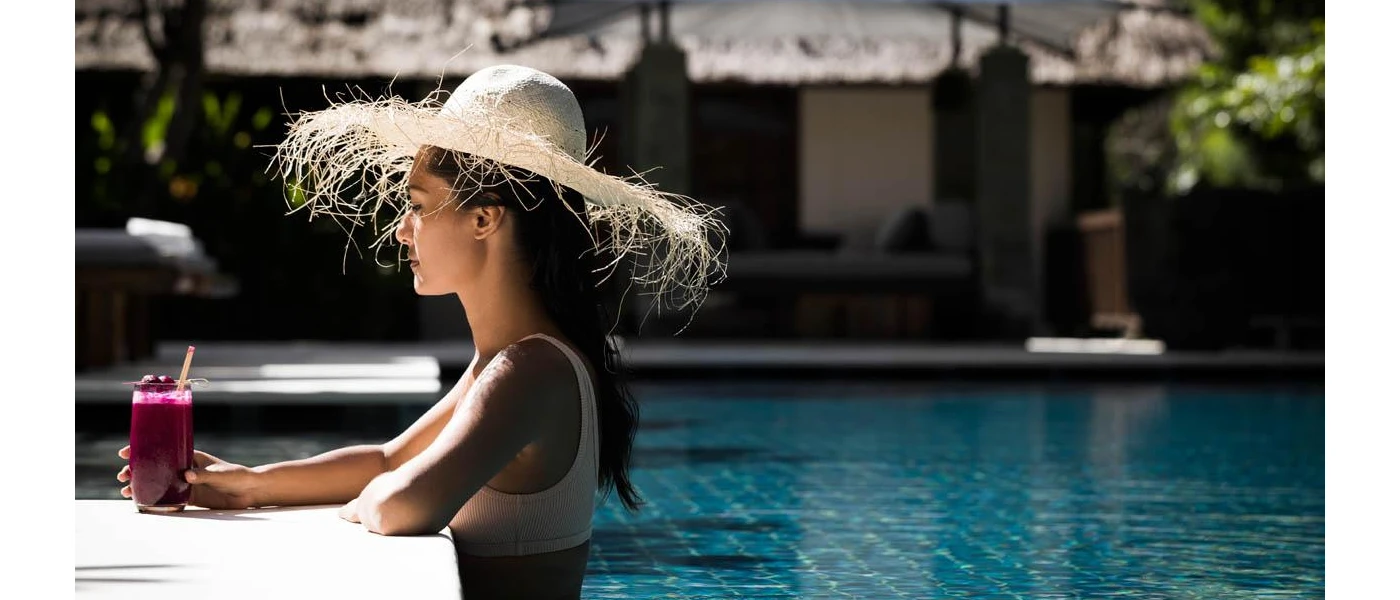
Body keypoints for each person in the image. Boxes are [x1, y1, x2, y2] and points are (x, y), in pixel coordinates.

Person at [115, 64, 726, 599]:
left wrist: (366, 502)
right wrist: (248, 487)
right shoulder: (513, 362)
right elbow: (389, 459)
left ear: (485, 218)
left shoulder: (529, 372)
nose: (403, 231)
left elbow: (402, 502)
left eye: (418, 204)